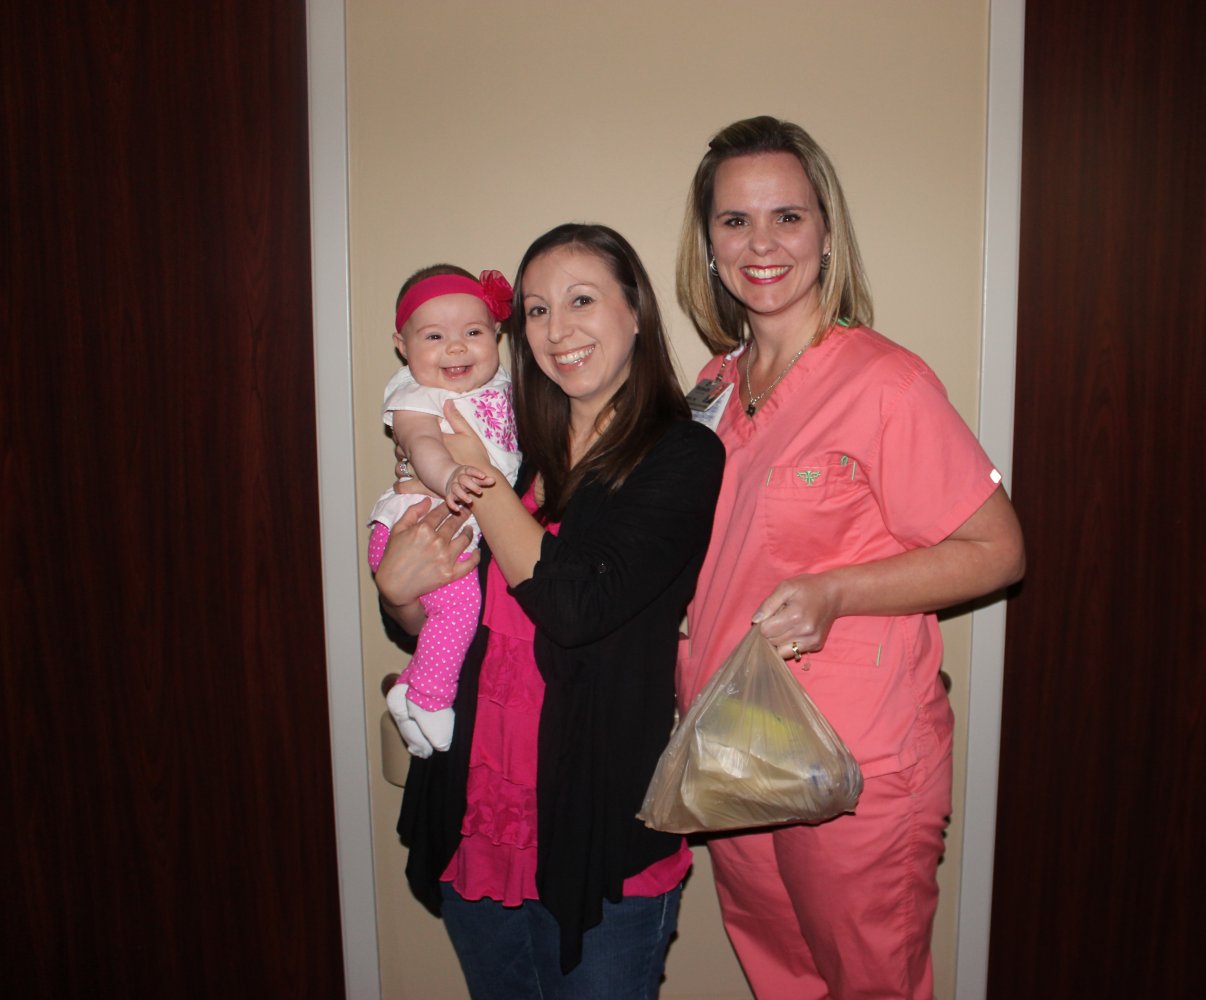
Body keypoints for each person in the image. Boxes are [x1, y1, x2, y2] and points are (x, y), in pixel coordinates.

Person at [674, 116, 1026, 998]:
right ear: (708, 245)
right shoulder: (713, 385)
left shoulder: (885, 383)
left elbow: (999, 550)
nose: (762, 244)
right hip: (736, 746)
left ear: (826, 233)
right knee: (782, 977)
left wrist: (836, 591)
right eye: (735, 221)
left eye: (788, 217)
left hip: (855, 761)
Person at [375, 224, 725, 999]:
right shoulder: (512, 448)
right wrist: (398, 591)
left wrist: (477, 476)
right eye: (536, 310)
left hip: (598, 834)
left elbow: (573, 607)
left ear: (635, 312)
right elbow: (442, 617)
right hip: (476, 820)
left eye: (581, 301)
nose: (558, 329)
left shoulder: (681, 458)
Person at [369, 263, 521, 758]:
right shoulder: (416, 396)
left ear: (496, 333)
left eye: (473, 332)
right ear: (402, 345)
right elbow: (423, 445)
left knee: (450, 617)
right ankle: (431, 698)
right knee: (458, 608)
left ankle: (408, 689)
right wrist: (451, 475)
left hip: (454, 530)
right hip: (419, 524)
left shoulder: (500, 387)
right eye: (434, 336)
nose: (456, 348)